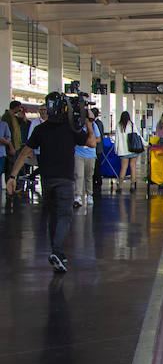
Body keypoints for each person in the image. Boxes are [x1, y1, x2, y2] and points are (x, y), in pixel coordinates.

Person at [5, 92, 97, 272]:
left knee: (53, 215)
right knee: (64, 215)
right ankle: (57, 251)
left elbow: (25, 153)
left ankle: (59, 253)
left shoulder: (40, 129)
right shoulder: (71, 129)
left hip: (47, 181)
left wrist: (12, 176)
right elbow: (92, 143)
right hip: (65, 180)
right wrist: (88, 122)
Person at [72, 100, 98, 208]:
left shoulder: (94, 126)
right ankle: (78, 196)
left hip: (90, 155)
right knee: (79, 175)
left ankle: (89, 195)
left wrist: (90, 124)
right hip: (78, 153)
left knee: (88, 176)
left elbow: (97, 139)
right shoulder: (76, 125)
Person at [114, 109, 138, 191]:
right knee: (133, 167)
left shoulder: (118, 126)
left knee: (123, 168)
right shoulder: (132, 125)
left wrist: (116, 150)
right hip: (132, 149)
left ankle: (120, 186)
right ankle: (132, 185)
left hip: (123, 151)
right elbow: (138, 136)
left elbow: (116, 139)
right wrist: (146, 144)